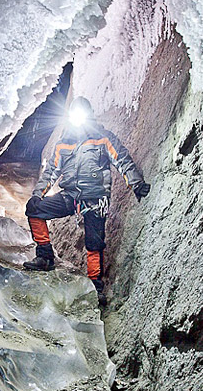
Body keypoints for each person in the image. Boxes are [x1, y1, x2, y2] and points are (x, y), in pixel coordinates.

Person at [24, 96, 151, 302]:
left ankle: (95, 286)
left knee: (94, 242)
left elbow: (122, 159)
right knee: (34, 210)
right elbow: (51, 172)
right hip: (69, 196)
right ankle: (45, 257)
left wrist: (135, 183)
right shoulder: (64, 143)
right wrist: (37, 195)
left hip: (95, 200)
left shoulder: (102, 138)